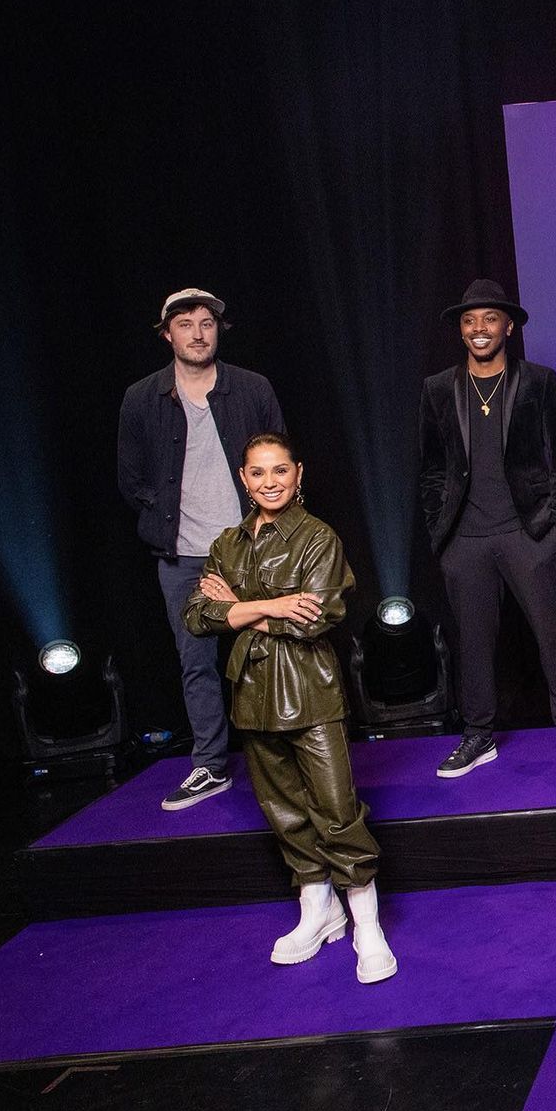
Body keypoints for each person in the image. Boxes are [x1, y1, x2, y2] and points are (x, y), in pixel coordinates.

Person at [184, 434, 394, 983]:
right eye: (258, 472)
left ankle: (367, 927)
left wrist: (239, 607)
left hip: (310, 690)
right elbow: (197, 616)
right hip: (250, 693)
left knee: (337, 810)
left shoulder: (317, 537)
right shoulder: (228, 543)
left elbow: (314, 617)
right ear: (243, 478)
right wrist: (273, 604)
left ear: (298, 473)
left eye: (280, 470)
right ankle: (318, 913)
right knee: (284, 813)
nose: (270, 482)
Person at [418, 279, 556, 778]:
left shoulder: (538, 381)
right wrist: (442, 533)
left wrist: (555, 530)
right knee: (473, 643)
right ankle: (478, 734)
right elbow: (431, 469)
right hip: (465, 539)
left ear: (508, 327)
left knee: (553, 635)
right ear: (461, 329)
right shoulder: (438, 388)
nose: (479, 328)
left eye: (490, 319)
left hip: (528, 534)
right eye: (470, 320)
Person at [118, 288, 285, 811]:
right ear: (167, 334)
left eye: (206, 323)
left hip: (252, 548)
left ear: (219, 330)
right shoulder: (141, 397)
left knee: (271, 652)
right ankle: (211, 765)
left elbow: (280, 458)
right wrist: (165, 516)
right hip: (184, 556)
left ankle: (283, 757)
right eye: (185, 324)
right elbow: (130, 477)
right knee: (197, 664)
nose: (197, 333)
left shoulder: (251, 387)